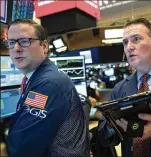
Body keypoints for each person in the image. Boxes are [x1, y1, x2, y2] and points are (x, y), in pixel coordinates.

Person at [5, 19, 89, 157]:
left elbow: (22, 148)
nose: (16, 48)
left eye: (25, 41)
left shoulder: (48, 84)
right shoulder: (40, 78)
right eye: (11, 42)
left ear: (44, 46)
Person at [98, 18, 151, 157]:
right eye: (125, 42)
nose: (129, 47)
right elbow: (102, 135)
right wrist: (112, 127)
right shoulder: (120, 89)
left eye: (136, 39)